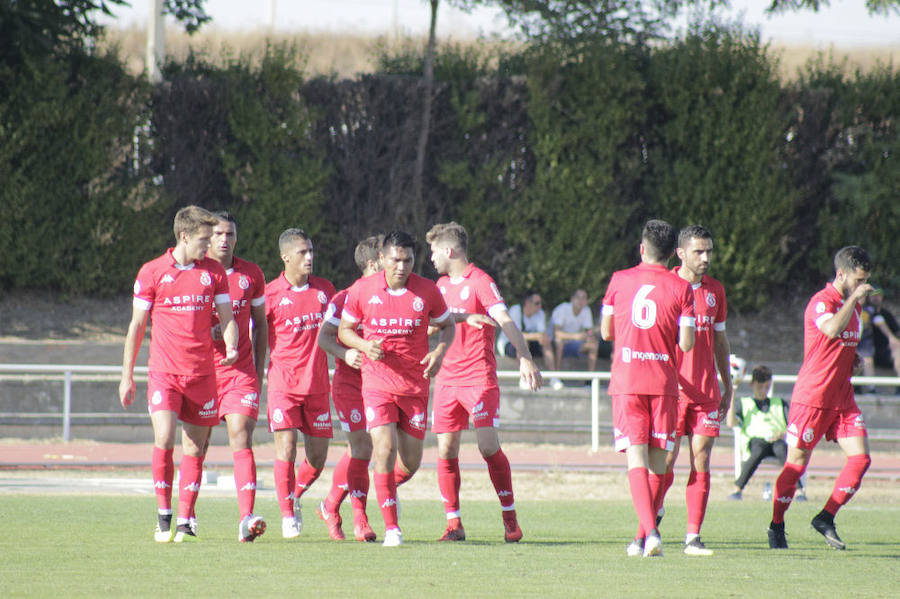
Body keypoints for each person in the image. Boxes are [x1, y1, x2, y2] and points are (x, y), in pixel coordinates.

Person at [119, 205, 239, 543]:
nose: (211, 244)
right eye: (205, 239)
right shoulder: (152, 272)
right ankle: (163, 514)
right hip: (164, 372)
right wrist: (127, 375)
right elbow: (137, 326)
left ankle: (186, 518)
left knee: (194, 448)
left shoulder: (214, 272)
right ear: (184, 236)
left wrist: (232, 345)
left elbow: (227, 317)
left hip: (202, 374)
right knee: (164, 438)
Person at [338, 230, 455, 547]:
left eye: (408, 260)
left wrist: (439, 352)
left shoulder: (427, 291)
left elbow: (448, 326)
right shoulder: (363, 290)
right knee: (384, 449)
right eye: (395, 260)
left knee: (412, 462)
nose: (402, 266)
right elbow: (345, 331)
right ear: (381, 260)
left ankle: (381, 487)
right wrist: (364, 345)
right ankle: (392, 528)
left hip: (415, 386)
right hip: (377, 383)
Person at [427, 222, 542, 543]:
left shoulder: (481, 282)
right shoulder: (438, 286)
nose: (431, 258)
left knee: (487, 446)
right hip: (447, 380)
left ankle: (510, 518)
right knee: (446, 450)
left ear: (449, 251)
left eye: (434, 251)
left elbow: (505, 320)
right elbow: (429, 327)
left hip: (478, 379)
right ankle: (454, 524)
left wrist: (525, 357)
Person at [600, 219, 695, 558]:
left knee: (636, 460)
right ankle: (644, 537)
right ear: (673, 255)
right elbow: (686, 343)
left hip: (627, 381)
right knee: (659, 466)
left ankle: (649, 534)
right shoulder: (682, 288)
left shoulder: (618, 280)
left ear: (642, 248)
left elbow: (606, 333)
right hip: (663, 384)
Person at [767, 246, 873, 551]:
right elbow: (828, 331)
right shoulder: (821, 302)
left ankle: (826, 517)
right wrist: (853, 298)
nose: (862, 287)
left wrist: (854, 361)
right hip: (813, 396)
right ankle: (776, 525)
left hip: (842, 398)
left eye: (866, 281)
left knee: (861, 458)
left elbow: (841, 346)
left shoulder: (854, 308)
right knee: (796, 465)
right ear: (841, 275)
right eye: (858, 280)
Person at [655, 225, 732, 556]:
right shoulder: (665, 287)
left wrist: (727, 381)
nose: (706, 257)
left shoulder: (715, 290)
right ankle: (650, 522)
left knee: (701, 459)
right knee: (666, 461)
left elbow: (719, 339)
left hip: (705, 393)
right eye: (699, 251)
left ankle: (692, 537)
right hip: (671, 393)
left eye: (709, 251)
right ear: (680, 253)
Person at [264, 228, 336, 539]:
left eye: (311, 252)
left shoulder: (325, 290)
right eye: (303, 253)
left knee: (317, 459)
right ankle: (286, 516)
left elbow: (343, 325)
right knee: (287, 449)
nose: (310, 258)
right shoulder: (270, 294)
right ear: (286, 257)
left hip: (317, 385)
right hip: (283, 384)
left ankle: (292, 496)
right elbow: (250, 332)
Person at [315, 235, 383, 542]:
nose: (396, 262)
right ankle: (360, 519)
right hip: (349, 386)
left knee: (372, 452)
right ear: (373, 263)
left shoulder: (396, 295)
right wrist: (346, 353)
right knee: (363, 449)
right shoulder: (345, 297)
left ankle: (330, 505)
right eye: (388, 257)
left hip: (382, 386)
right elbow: (324, 337)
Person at [206, 211, 268, 542]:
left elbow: (261, 326)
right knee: (196, 445)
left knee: (240, 433)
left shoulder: (251, 274)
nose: (224, 239)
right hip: (202, 373)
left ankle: (246, 518)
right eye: (218, 233)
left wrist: (258, 373)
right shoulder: (196, 273)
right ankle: (186, 518)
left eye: (230, 233)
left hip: (240, 372)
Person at [726, 365, 806, 501]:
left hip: (777, 440)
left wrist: (783, 434)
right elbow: (730, 423)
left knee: (783, 450)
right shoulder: (744, 403)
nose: (764, 391)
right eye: (760, 387)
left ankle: (799, 490)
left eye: (767, 387)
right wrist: (733, 391)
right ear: (752, 384)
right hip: (756, 441)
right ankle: (737, 489)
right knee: (758, 450)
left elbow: (793, 425)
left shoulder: (779, 403)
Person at [497, 291, 555, 381]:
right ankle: (524, 378)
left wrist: (543, 338)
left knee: (546, 343)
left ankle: (553, 377)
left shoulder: (540, 313)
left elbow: (542, 334)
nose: (540, 306)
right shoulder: (515, 310)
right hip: (508, 344)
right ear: (528, 303)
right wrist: (536, 336)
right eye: (537, 303)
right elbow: (516, 334)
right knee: (522, 342)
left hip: (529, 345)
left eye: (540, 303)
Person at [550, 289, 600, 389]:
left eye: (583, 298)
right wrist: (576, 336)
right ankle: (556, 377)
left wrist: (591, 335)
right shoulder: (562, 309)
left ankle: (589, 381)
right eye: (578, 297)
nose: (580, 301)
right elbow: (557, 334)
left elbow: (588, 331)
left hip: (574, 345)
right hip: (555, 345)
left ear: (586, 301)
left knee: (594, 345)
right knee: (560, 342)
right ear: (572, 299)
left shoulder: (586, 310)